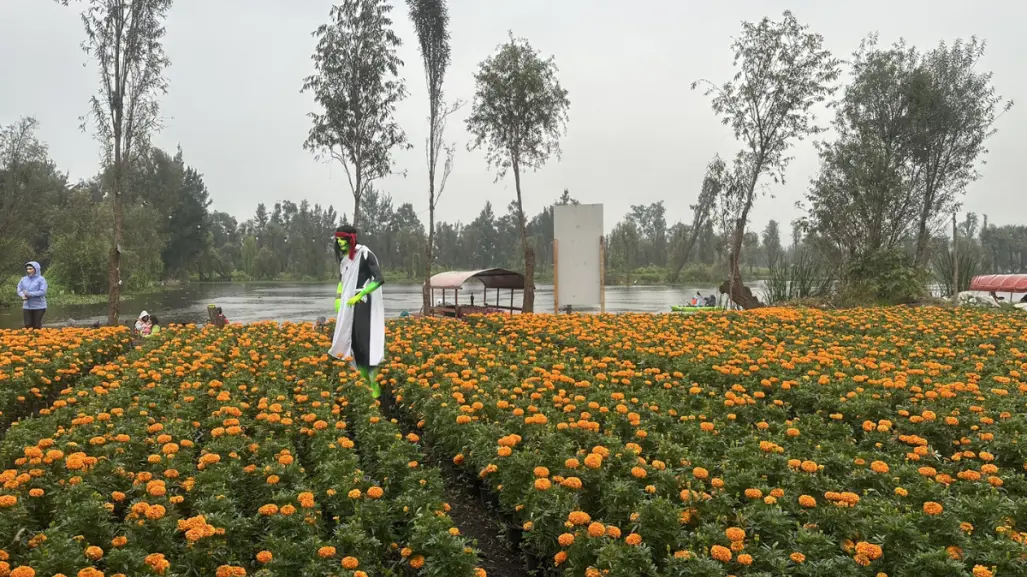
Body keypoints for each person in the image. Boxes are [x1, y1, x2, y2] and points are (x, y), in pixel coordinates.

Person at [328, 225, 386, 398]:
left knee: (365, 344)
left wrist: (359, 295)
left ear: (351, 239)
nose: (340, 243)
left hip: (362, 302)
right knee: (353, 344)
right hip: (348, 304)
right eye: (338, 240)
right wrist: (338, 298)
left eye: (343, 240)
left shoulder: (365, 254)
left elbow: (379, 279)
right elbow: (341, 280)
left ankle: (375, 388)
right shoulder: (345, 260)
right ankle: (364, 384)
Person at [17, 261, 48, 329]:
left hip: (39, 306)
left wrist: (30, 294)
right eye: (27, 269)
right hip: (26, 306)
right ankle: (28, 338)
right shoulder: (23, 279)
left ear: (36, 269)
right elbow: (19, 289)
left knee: (36, 325)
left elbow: (42, 291)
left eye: (30, 269)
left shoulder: (41, 279)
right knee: (27, 325)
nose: (28, 270)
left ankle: (39, 338)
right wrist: (23, 295)